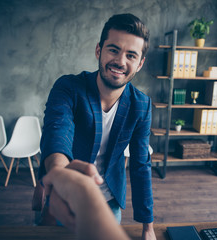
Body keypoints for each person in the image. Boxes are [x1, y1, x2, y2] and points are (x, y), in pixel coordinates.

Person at [39, 13, 156, 240]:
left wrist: (148, 227)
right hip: (66, 192)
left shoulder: (142, 105)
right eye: (113, 49)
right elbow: (57, 134)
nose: (120, 61)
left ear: (140, 63)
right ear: (98, 51)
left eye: (131, 55)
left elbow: (141, 165)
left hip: (109, 201)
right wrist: (58, 178)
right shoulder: (68, 87)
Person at [41, 160, 130, 240]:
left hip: (112, 196)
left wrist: (85, 191)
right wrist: (60, 169)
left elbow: (142, 162)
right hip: (67, 198)